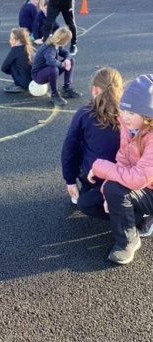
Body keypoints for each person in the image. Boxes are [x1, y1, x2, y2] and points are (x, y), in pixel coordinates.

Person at [79, 74, 153, 265]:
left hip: (148, 188)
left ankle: (128, 241)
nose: (124, 116)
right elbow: (122, 159)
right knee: (86, 203)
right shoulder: (129, 127)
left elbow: (138, 179)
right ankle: (134, 218)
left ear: (147, 116)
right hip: (138, 187)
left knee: (114, 190)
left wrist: (100, 167)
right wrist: (106, 193)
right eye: (123, 110)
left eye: (131, 112)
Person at [61, 68, 123, 205]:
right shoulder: (129, 115)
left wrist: (70, 181)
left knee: (78, 143)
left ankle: (90, 190)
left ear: (95, 90)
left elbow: (69, 150)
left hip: (94, 177)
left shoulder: (84, 114)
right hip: (123, 178)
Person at [31, 27, 81, 107]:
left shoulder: (56, 43)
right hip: (38, 75)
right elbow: (50, 61)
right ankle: (54, 95)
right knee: (53, 69)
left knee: (71, 60)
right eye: (68, 40)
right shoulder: (50, 47)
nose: (68, 42)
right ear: (64, 41)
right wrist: (63, 64)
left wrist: (67, 60)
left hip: (47, 71)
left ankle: (67, 88)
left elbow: (65, 53)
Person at [1, 28, 34, 93]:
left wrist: (11, 72)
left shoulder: (15, 50)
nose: (9, 41)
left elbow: (3, 67)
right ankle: (21, 81)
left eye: (11, 38)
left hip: (24, 82)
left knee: (11, 64)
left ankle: (18, 84)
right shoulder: (29, 47)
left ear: (18, 40)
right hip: (33, 80)